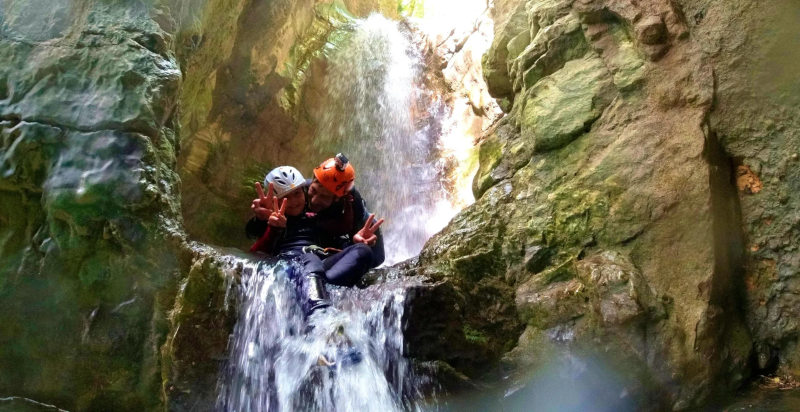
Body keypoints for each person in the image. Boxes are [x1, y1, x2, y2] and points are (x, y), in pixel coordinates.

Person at [247, 162, 384, 316]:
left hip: (321, 267)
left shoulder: (323, 219)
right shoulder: (275, 221)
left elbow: (342, 245)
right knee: (311, 259)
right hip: (293, 266)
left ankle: (320, 288)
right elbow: (255, 249)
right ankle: (318, 312)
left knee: (363, 251)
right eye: (285, 198)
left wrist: (355, 242)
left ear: (302, 191)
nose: (294, 201)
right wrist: (266, 222)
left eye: (297, 194)